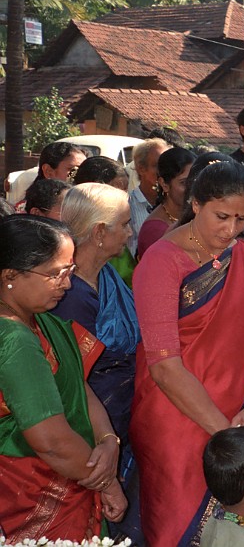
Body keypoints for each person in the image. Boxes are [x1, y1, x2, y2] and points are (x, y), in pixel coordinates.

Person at [131, 161, 244, 545]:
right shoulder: (161, 262)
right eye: (221, 216)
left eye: (241, 219)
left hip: (240, 416)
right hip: (175, 421)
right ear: (196, 203)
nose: (230, 230)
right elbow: (164, 367)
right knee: (175, 527)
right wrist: (228, 439)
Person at [0, 216, 127, 541]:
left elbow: (78, 387)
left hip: (69, 473)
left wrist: (108, 440)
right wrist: (107, 481)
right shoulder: (14, 340)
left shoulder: (42, 322)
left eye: (69, 272)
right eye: (55, 274)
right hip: (33, 492)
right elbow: (52, 442)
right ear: (10, 276)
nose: (67, 284)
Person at [51, 183, 140, 540]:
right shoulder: (69, 297)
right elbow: (72, 384)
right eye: (125, 224)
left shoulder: (105, 275)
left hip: (122, 418)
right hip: (91, 431)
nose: (131, 232)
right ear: (100, 232)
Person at [136, 147, 196, 260]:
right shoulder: (154, 230)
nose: (191, 188)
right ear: (164, 184)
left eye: (194, 181)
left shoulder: (192, 215)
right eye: (183, 183)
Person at [7, 141, 87, 206]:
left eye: (84, 170)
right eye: (73, 169)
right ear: (48, 171)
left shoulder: (85, 205)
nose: (80, 175)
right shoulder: (30, 211)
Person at [128, 138, 171, 256]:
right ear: (141, 169)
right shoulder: (128, 205)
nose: (164, 171)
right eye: (157, 166)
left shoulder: (174, 204)